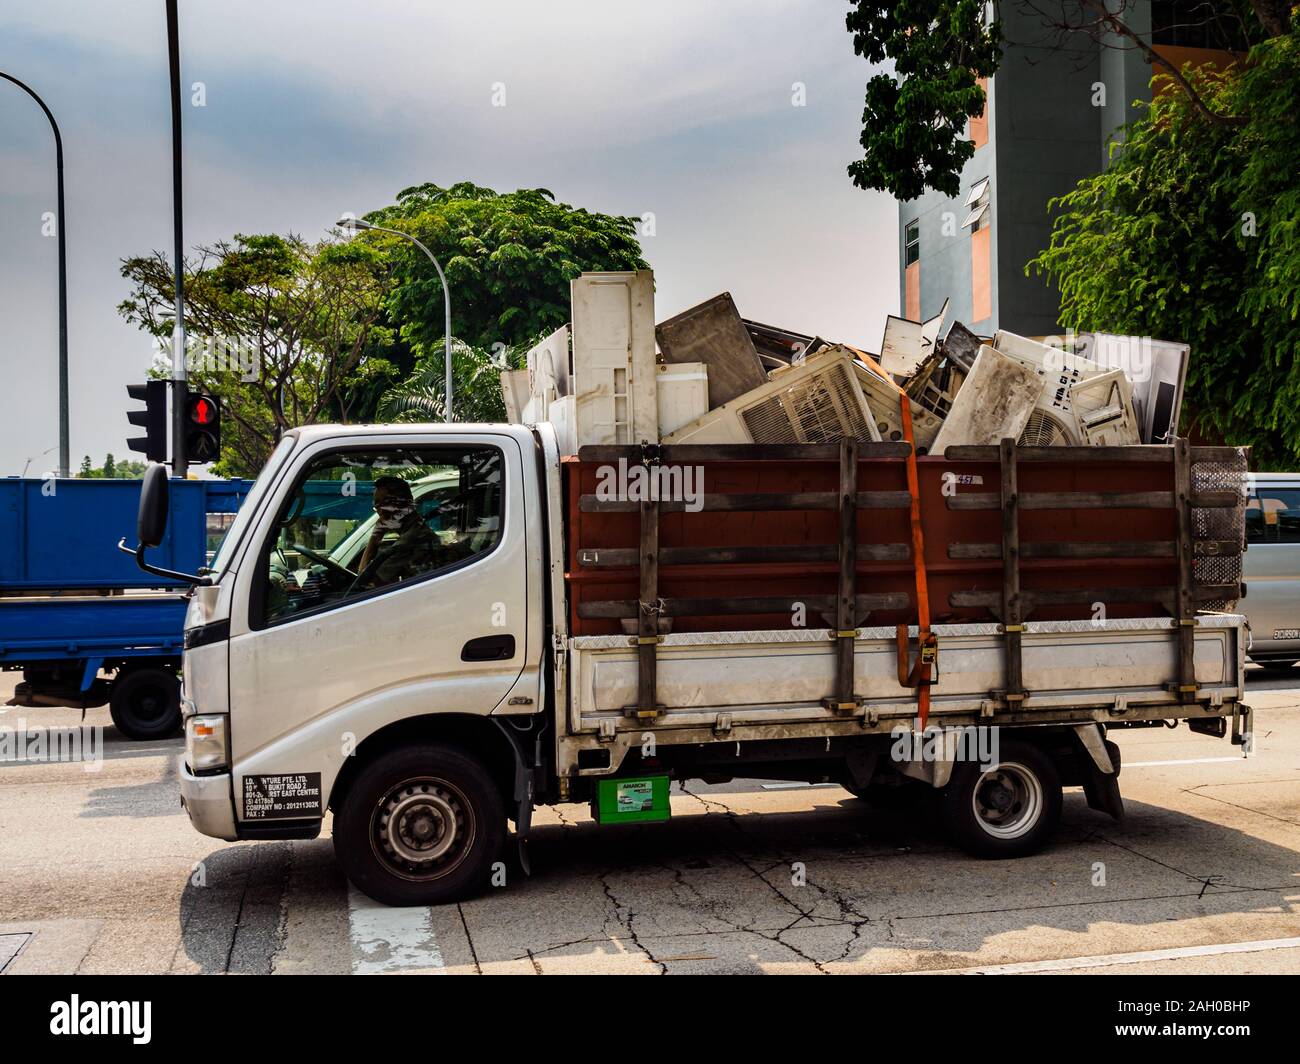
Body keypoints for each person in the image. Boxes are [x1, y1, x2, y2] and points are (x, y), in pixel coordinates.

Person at [356, 476, 442, 588]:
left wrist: (375, 535)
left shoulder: (408, 542)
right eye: (377, 505)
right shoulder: (417, 531)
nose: (380, 511)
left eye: (386, 503)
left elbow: (363, 581)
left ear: (406, 503)